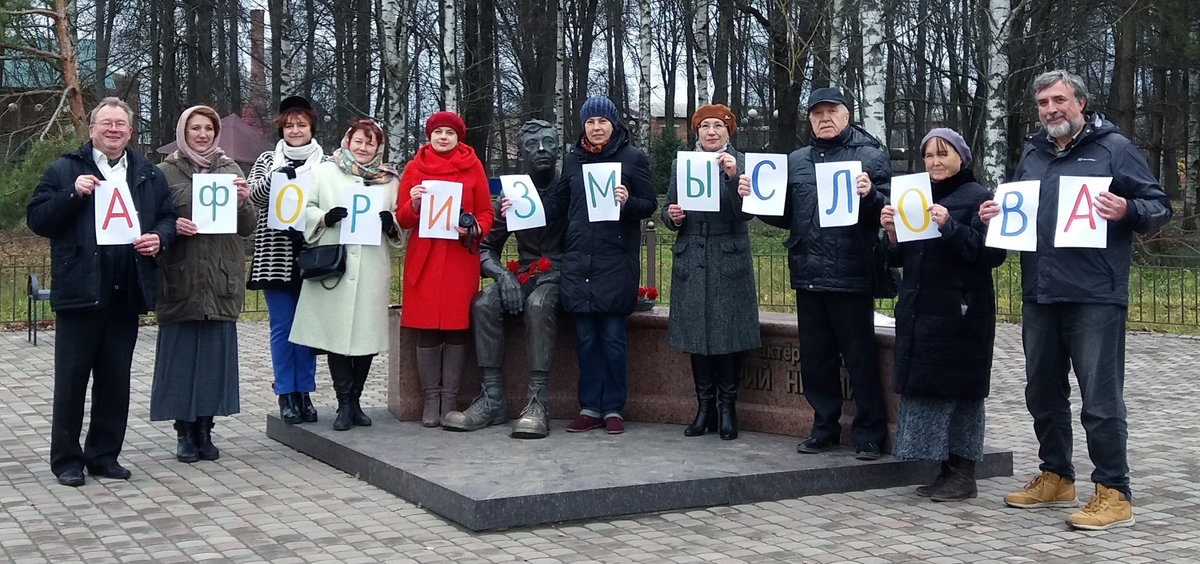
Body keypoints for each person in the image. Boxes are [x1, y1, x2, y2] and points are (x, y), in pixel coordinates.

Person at [980, 70, 1171, 530]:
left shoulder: (1114, 149)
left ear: (1080, 103)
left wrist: (1128, 209)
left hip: (1095, 295)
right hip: (1041, 292)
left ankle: (1113, 489)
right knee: (1041, 391)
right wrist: (995, 211)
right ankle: (1056, 475)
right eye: (1043, 103)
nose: (1050, 110)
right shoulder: (1033, 153)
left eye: (1059, 100)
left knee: (1100, 400)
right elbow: (1021, 210)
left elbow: (1159, 206)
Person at [27, 97, 176, 486]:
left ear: (130, 131)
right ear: (91, 129)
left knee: (115, 380)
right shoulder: (65, 168)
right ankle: (67, 461)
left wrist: (159, 238)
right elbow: (38, 219)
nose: (113, 130)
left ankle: (104, 455)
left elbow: (167, 216)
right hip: (80, 291)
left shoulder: (147, 173)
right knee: (72, 380)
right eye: (106, 123)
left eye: (121, 125)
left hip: (124, 291)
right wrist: (72, 194)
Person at [741, 87, 890, 460]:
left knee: (859, 358)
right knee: (815, 359)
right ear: (809, 119)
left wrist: (871, 195)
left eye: (831, 111)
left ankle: (869, 433)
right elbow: (784, 213)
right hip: (807, 271)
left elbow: (889, 213)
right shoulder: (796, 160)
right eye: (817, 113)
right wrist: (752, 197)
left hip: (851, 272)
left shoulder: (870, 157)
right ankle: (823, 426)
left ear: (846, 114)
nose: (824, 118)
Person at [880, 128, 1006, 500]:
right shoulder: (914, 195)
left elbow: (990, 255)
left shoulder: (978, 196)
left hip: (962, 313)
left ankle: (963, 471)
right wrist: (890, 233)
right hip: (921, 309)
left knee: (961, 392)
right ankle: (944, 470)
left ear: (961, 158)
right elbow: (900, 258)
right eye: (929, 155)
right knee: (932, 389)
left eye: (943, 154)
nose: (935, 162)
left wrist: (949, 225)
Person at [525, 96, 656, 435]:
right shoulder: (573, 160)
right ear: (583, 126)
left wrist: (628, 202)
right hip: (578, 261)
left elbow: (648, 204)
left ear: (614, 124)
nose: (596, 128)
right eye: (590, 122)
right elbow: (559, 203)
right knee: (585, 340)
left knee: (612, 339)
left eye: (602, 121)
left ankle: (613, 408)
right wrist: (524, 206)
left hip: (615, 262)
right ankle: (588, 407)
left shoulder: (633, 158)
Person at [442, 119, 565, 438]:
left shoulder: (569, 186)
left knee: (539, 304)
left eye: (549, 142)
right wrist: (501, 276)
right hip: (526, 272)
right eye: (533, 144)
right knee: (484, 302)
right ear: (521, 152)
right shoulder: (513, 195)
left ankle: (538, 403)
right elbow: (485, 247)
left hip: (564, 275)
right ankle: (492, 398)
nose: (541, 150)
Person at [151, 105, 256, 463]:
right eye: (195, 128)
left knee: (213, 360)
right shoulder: (164, 173)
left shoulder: (231, 169)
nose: (202, 134)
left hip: (220, 277)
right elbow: (150, 220)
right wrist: (171, 227)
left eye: (208, 129)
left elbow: (247, 227)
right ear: (183, 132)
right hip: (182, 275)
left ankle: (206, 429)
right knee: (180, 358)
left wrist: (244, 202)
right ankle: (184, 431)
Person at [289, 119, 403, 431]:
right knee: (337, 336)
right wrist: (324, 217)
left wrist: (389, 223)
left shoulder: (389, 179)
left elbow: (399, 220)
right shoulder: (325, 172)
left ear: (378, 148)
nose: (363, 147)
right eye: (358, 141)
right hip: (334, 264)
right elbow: (305, 210)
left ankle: (356, 400)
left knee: (365, 337)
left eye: (370, 143)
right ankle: (343, 403)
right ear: (347, 141)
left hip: (370, 265)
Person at [662, 104, 760, 440]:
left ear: (728, 131)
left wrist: (734, 178)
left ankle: (727, 407)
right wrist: (673, 216)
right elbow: (669, 210)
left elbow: (746, 214)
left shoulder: (742, 164)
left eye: (718, 125)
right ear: (697, 132)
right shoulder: (682, 163)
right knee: (697, 338)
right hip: (692, 256)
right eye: (704, 126)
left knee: (727, 336)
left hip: (728, 257)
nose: (711, 132)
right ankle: (704, 407)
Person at [396, 112, 494, 427]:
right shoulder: (413, 168)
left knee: (455, 325)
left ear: (458, 137)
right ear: (429, 136)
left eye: (449, 133)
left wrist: (476, 227)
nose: (443, 137)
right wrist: (412, 203)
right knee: (426, 326)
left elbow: (485, 212)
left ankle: (450, 398)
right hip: (425, 255)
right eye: (437, 132)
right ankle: (430, 397)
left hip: (458, 256)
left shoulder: (473, 165)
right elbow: (402, 219)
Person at [247, 96, 324, 425]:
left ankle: (305, 391)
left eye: (301, 124)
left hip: (312, 256)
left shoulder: (325, 164)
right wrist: (278, 175)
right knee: (282, 327)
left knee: (308, 329)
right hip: (274, 257)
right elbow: (253, 196)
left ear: (311, 128)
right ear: (281, 126)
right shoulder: (267, 159)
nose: (295, 130)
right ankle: (286, 392)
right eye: (289, 124)